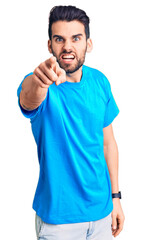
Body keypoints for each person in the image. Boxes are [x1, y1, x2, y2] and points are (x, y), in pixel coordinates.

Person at [17, 5, 125, 240]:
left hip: (102, 213)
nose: (67, 46)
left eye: (76, 38)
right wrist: (40, 80)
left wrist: (116, 198)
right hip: (59, 222)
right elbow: (28, 99)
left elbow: (108, 144)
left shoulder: (100, 82)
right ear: (50, 45)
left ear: (88, 43)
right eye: (59, 39)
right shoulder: (39, 84)